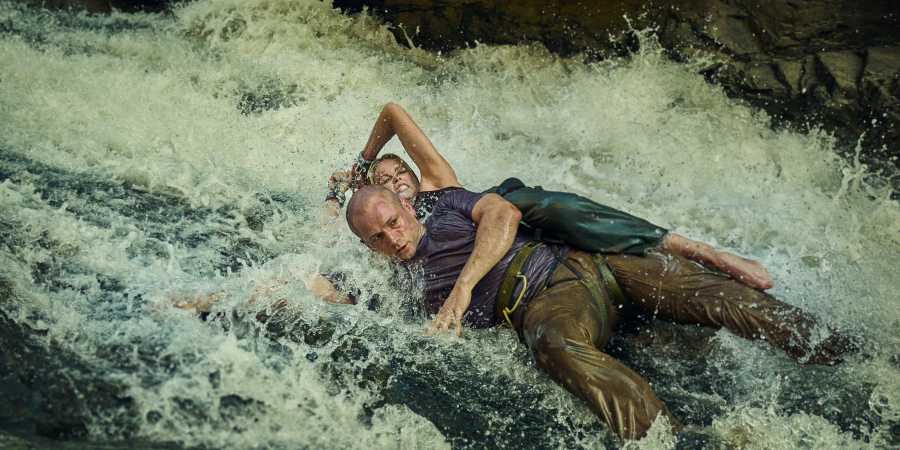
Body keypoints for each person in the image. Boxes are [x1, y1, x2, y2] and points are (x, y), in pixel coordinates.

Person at [344, 184, 855, 441]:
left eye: (393, 222)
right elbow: (352, 307)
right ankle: (663, 442)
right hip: (545, 304)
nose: (394, 238)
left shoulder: (447, 203)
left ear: (405, 207)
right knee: (554, 347)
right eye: (378, 238)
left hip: (585, 256)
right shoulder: (402, 288)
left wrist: (462, 289)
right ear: (369, 247)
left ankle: (851, 358)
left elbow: (503, 213)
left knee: (724, 299)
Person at [322, 103, 773, 297]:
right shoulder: (384, 239)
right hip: (506, 269)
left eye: (400, 173)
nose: (397, 182)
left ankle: (696, 249)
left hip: (508, 213)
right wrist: (337, 196)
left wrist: (363, 164)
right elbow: (335, 236)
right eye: (384, 180)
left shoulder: (437, 183)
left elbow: (392, 111)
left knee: (552, 206)